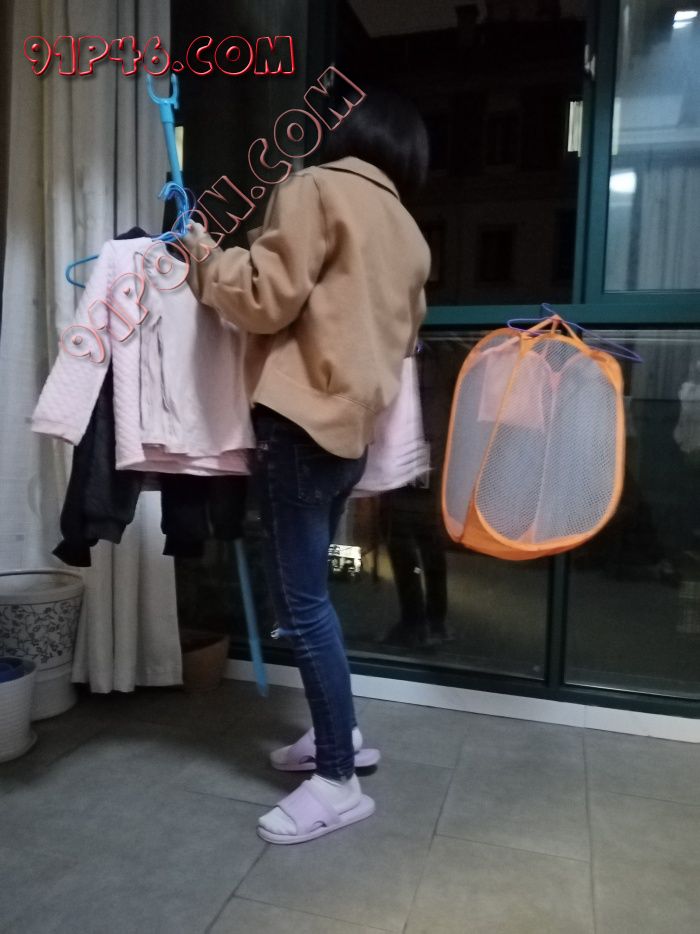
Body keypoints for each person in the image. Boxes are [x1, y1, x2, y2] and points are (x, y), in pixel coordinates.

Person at [182, 85, 431, 844]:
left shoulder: (313, 188)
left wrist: (205, 259)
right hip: (350, 435)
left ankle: (338, 780)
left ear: (348, 133)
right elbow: (401, 341)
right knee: (311, 600)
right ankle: (339, 735)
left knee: (302, 606)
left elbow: (266, 297)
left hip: (297, 425)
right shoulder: (411, 233)